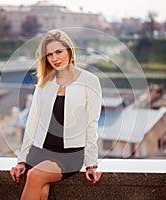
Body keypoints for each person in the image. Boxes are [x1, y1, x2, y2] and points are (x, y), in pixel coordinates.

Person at [10, 29, 102, 200]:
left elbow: (92, 124)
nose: (55, 59)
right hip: (39, 151)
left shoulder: (90, 81)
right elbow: (33, 122)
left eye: (59, 51)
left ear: (69, 50)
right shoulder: (44, 82)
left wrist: (91, 164)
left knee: (35, 176)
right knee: (42, 191)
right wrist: (21, 160)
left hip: (70, 154)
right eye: (49, 55)